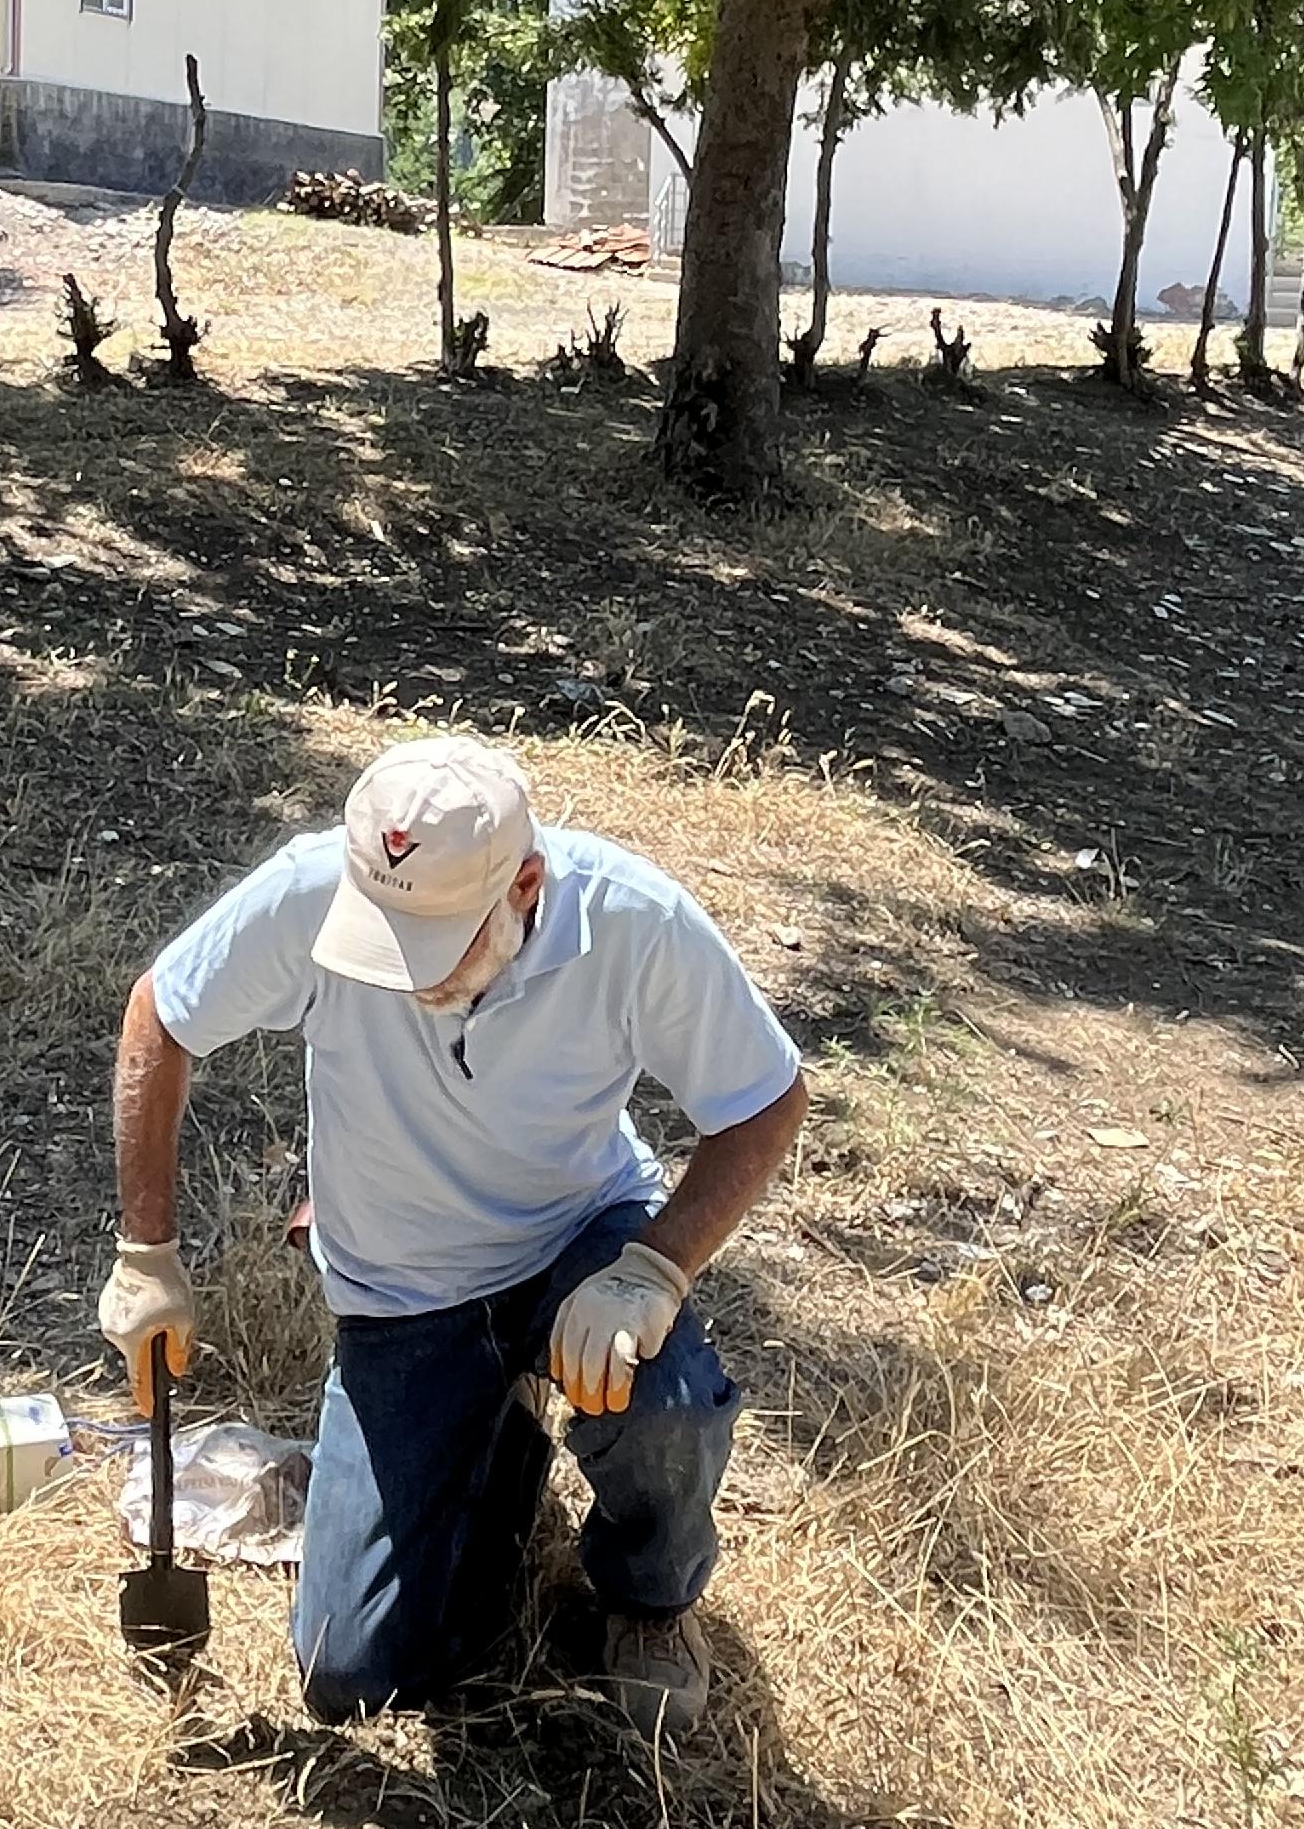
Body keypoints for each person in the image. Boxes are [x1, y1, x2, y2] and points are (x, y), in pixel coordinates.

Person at [98, 733, 806, 1738]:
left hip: (577, 1240)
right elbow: (159, 1016)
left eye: (434, 942)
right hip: (401, 1288)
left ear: (525, 885)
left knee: (673, 1405)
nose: (399, 973)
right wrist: (147, 1253)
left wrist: (651, 1268)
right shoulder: (309, 893)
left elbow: (767, 1101)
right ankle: (498, 1422)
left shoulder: (634, 922)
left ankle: (645, 1598)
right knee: (356, 1672)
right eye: (382, 935)